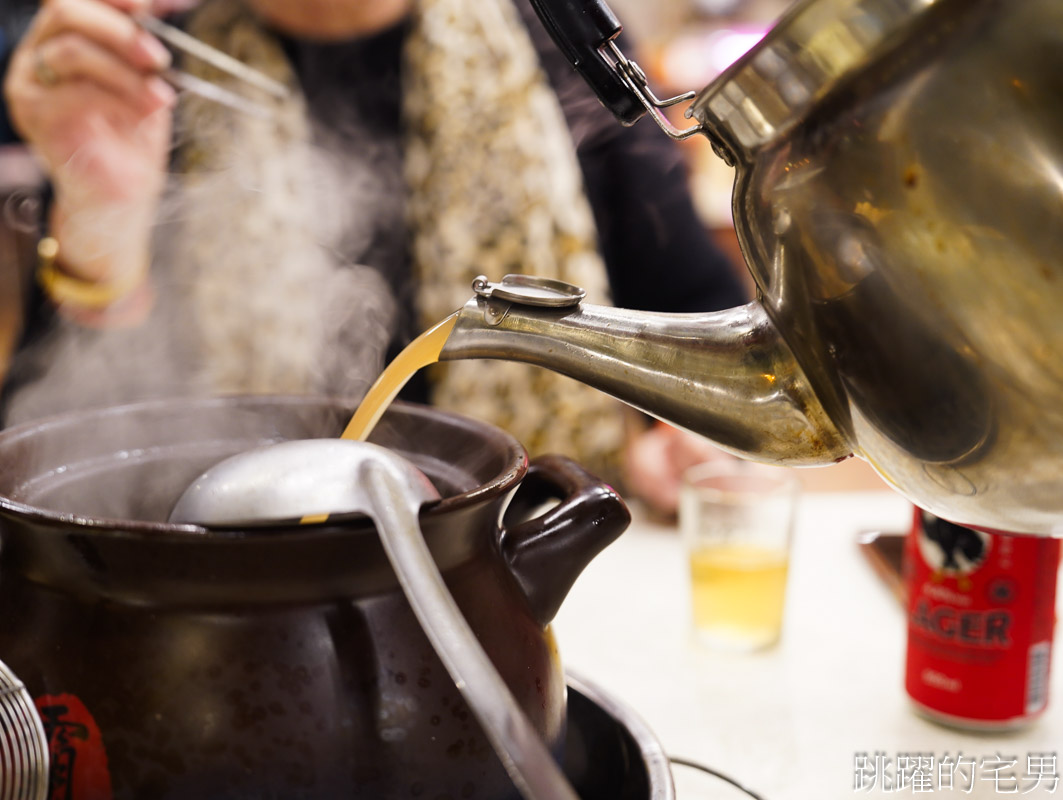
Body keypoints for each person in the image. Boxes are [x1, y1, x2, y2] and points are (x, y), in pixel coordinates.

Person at [0, 0, 747, 512]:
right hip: (246, 594)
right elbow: (47, 455)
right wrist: (102, 224)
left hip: (529, 562)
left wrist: (689, 441)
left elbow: (706, 340)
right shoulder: (143, 74)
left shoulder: (564, 52)